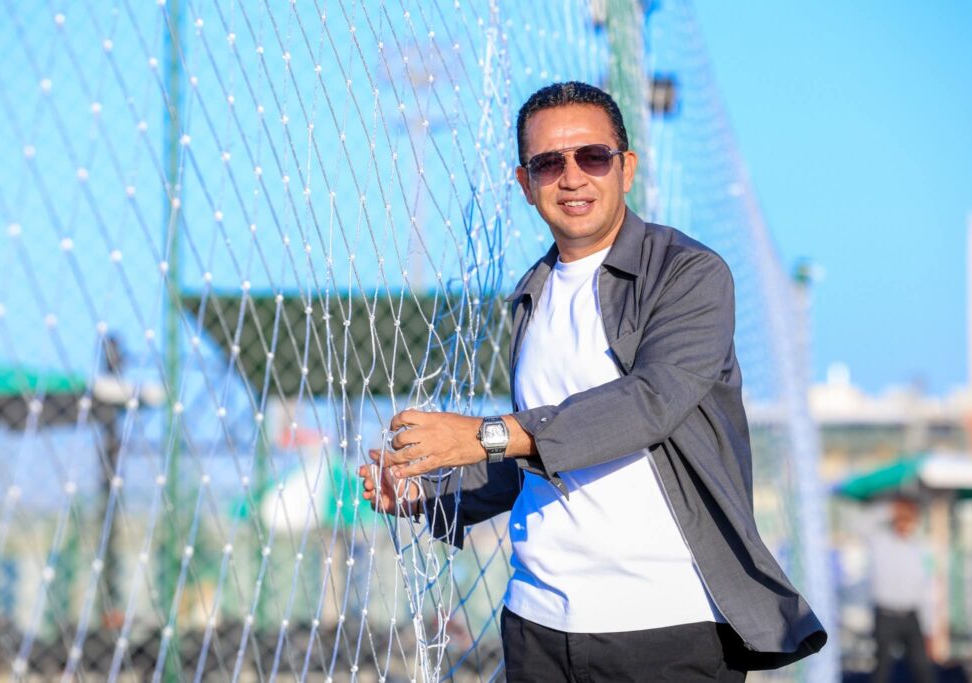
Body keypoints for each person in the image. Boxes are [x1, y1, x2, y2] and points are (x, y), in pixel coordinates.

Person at [359, 81, 826, 682]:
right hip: (537, 623)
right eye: (549, 163)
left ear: (626, 168)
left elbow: (647, 405)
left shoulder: (688, 274)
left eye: (593, 156)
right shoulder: (531, 295)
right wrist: (428, 494)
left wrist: (483, 434)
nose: (572, 177)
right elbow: (542, 452)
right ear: (525, 183)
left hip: (667, 626)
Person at [869, 496, 935, 683]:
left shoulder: (919, 548)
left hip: (911, 616)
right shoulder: (880, 542)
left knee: (922, 668)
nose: (906, 524)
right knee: (882, 668)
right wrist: (889, 510)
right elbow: (863, 523)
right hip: (886, 615)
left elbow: (925, 589)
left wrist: (929, 627)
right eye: (902, 519)